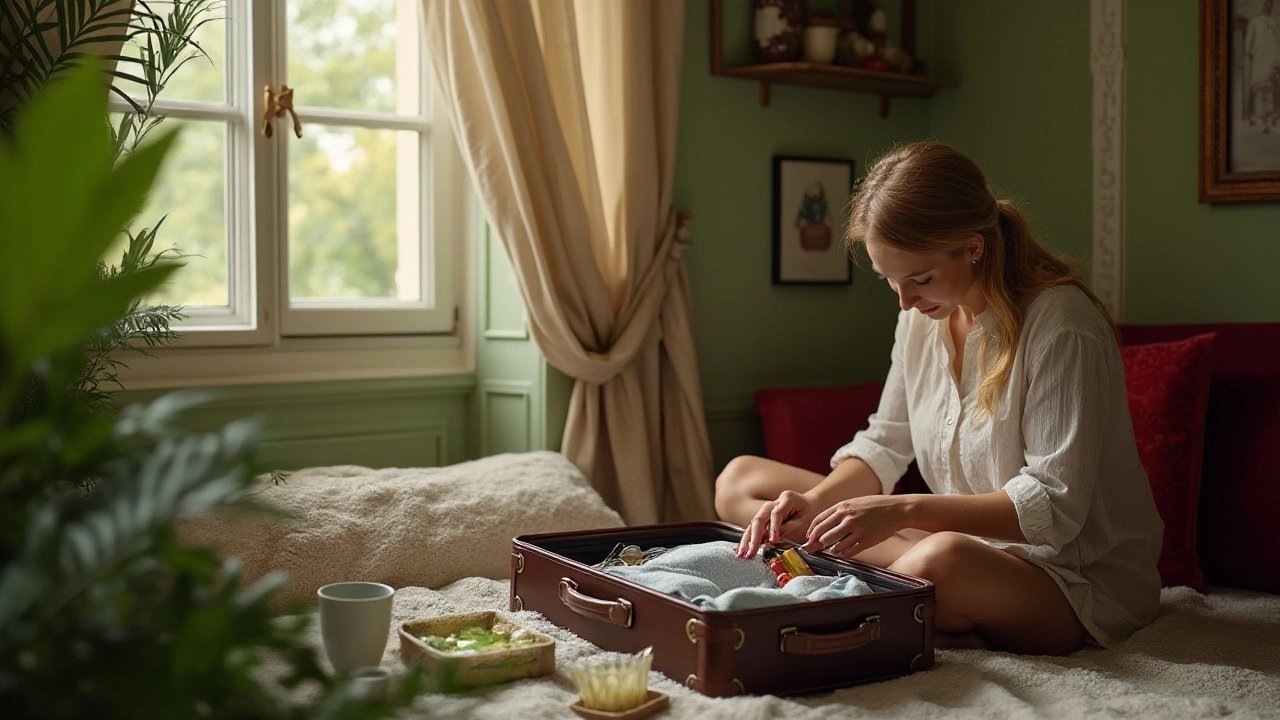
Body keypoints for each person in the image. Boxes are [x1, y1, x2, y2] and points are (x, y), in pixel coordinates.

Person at [714, 142, 1164, 656]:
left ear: (973, 247)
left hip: (1068, 579)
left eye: (919, 279)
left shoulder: (1061, 325)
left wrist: (902, 510)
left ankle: (893, 589)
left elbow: (1054, 508)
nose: (904, 301)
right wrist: (814, 505)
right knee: (741, 482)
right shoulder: (920, 318)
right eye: (890, 282)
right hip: (952, 548)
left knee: (940, 561)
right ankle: (915, 596)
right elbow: (885, 442)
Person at [1245, 0, 1280, 132]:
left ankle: (1271, 121)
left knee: (1272, 89)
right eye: (1265, 4)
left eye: (1270, 4)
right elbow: (1248, 46)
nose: (1268, 7)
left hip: (1274, 61)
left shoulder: (1276, 22)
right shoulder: (1254, 22)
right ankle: (1260, 120)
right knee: (1260, 89)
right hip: (1260, 60)